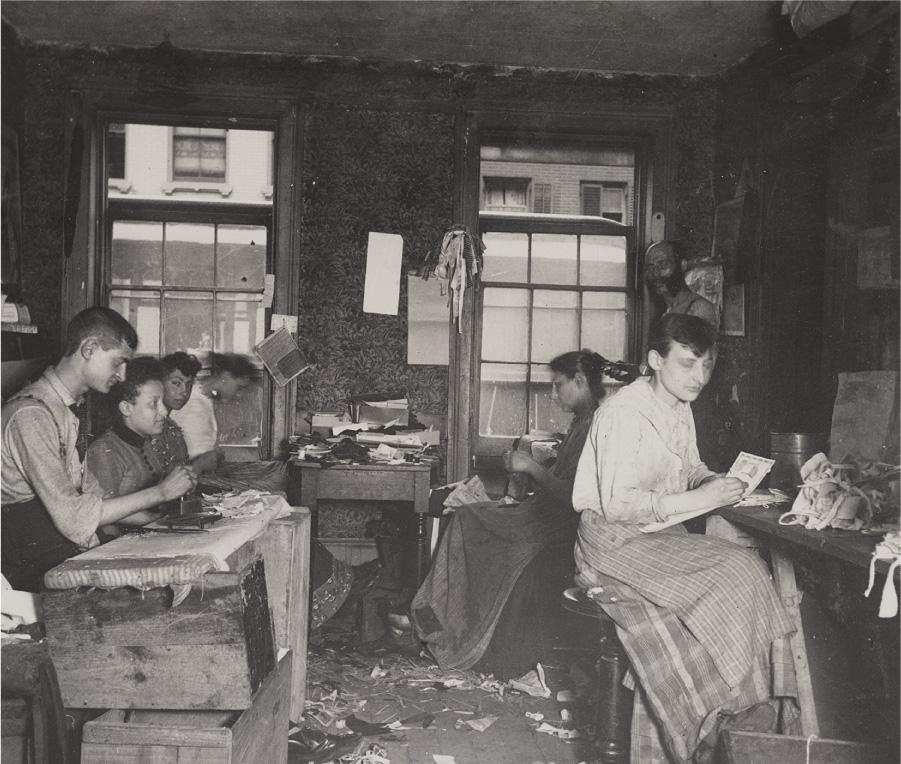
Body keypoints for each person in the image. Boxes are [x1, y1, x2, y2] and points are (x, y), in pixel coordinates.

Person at [571, 314, 798, 762]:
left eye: (706, 366)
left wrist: (715, 480)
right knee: (737, 569)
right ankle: (709, 725)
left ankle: (745, 716)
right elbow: (618, 505)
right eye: (688, 364)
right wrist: (703, 498)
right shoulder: (622, 414)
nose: (699, 378)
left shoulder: (678, 405)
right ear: (655, 360)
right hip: (613, 540)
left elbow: (688, 465)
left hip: (656, 533)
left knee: (742, 572)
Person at [411, 350, 625, 678]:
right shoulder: (582, 420)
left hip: (563, 524)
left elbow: (574, 498)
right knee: (466, 515)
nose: (553, 395)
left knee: (468, 522)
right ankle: (438, 618)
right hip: (544, 512)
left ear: (580, 382)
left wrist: (531, 467)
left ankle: (454, 627)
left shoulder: (598, 424)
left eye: (558, 386)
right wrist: (539, 466)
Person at [1, 307, 196, 592]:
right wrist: (161, 493)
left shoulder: (65, 411)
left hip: (48, 545)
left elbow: (94, 499)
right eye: (118, 362)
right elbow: (77, 520)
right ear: (90, 348)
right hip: (22, 559)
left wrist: (159, 523)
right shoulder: (31, 414)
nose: (122, 374)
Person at [169, 352, 286, 493]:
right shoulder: (193, 402)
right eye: (239, 388)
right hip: (192, 479)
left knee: (277, 469)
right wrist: (209, 458)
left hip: (203, 472)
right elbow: (193, 461)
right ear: (225, 377)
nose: (239, 395)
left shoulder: (205, 400)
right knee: (271, 486)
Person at [644, 240, 719, 329]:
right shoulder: (660, 310)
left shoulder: (699, 309)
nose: (656, 273)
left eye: (663, 264)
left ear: (682, 265)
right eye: (651, 267)